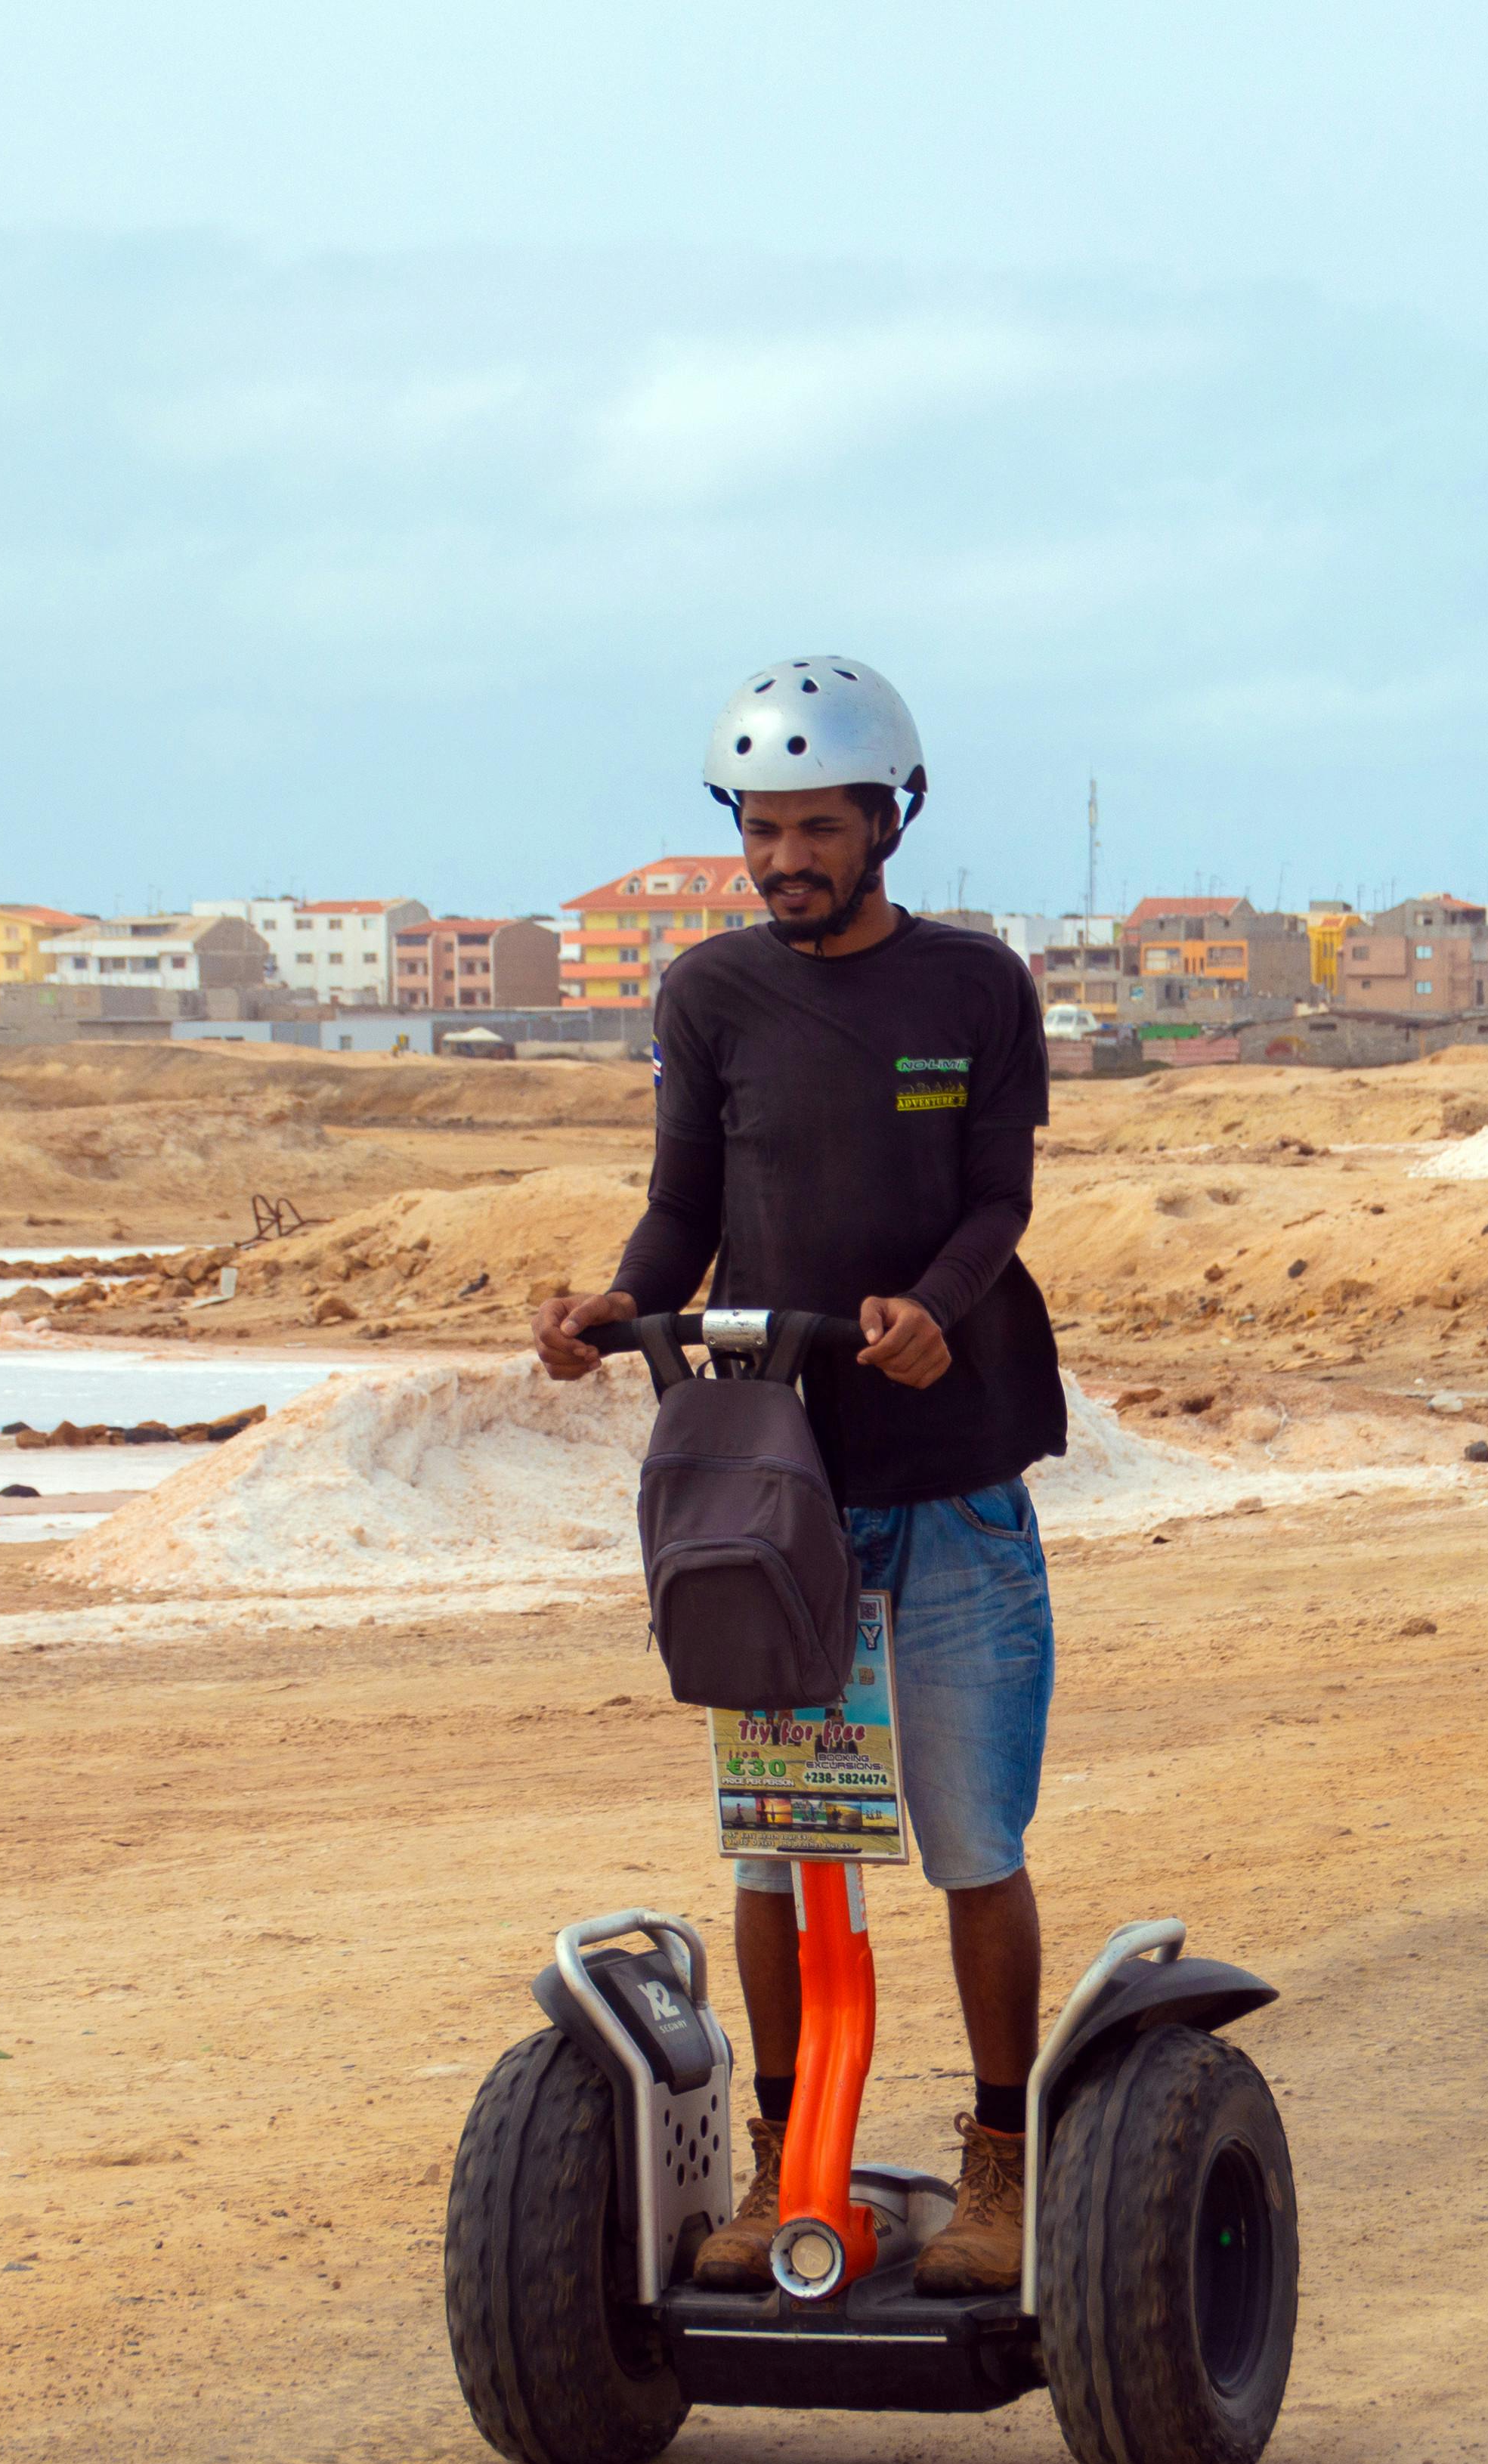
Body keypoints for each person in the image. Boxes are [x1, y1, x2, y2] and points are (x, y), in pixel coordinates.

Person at [533, 658, 1066, 2296]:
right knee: (774, 1849)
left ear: (890, 818)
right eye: (760, 831)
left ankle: (998, 2167)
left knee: (967, 1841)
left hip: (954, 1475)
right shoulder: (708, 999)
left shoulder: (972, 989)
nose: (782, 862)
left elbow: (996, 1203)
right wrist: (616, 1305)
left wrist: (936, 1315)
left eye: (815, 828)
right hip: (775, 1508)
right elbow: (677, 1209)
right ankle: (791, 2165)